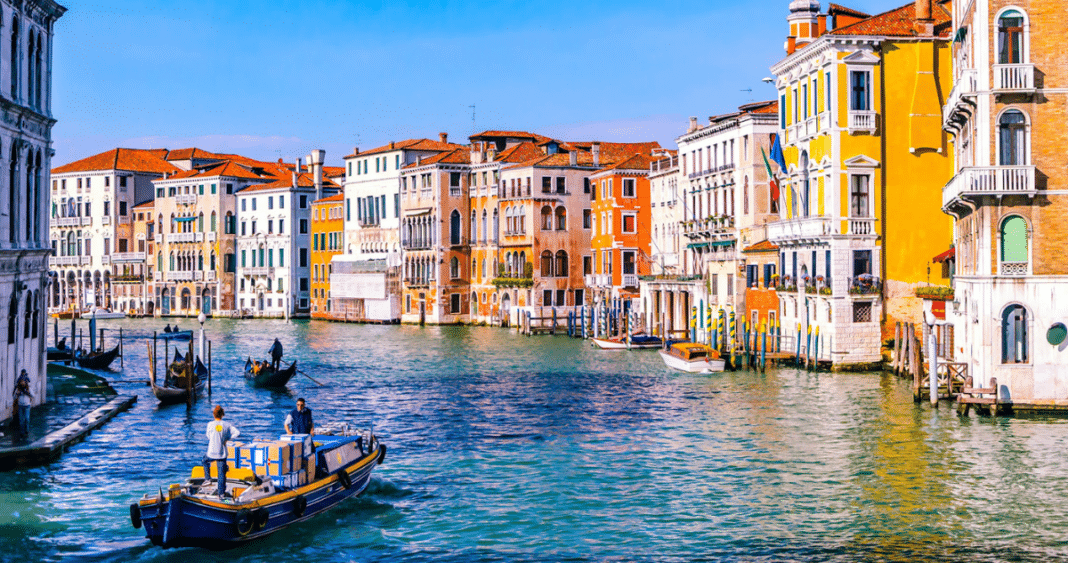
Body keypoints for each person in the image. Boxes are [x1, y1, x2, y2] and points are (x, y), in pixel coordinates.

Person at [204, 405, 240, 498]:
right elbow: (237, 433)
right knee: (221, 474)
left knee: (204, 461)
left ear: (213, 414)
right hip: (221, 453)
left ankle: (208, 479)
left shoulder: (210, 424)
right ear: (222, 414)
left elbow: (208, 436)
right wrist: (227, 438)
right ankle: (221, 495)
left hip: (211, 452)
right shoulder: (227, 425)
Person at [12, 371, 33, 440]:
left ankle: (26, 431)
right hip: (20, 405)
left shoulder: (28, 388)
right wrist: (17, 394)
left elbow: (33, 395)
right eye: (21, 382)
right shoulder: (18, 388)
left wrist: (27, 393)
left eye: (23, 382)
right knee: (21, 420)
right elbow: (14, 396)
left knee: (27, 418)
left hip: (27, 405)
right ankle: (21, 432)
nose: (22, 383)